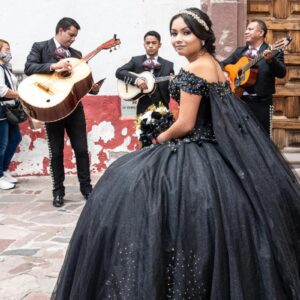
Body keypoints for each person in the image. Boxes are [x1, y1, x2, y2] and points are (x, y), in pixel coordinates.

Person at [52, 8, 300, 299]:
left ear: (203, 36)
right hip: (213, 147)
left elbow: (186, 123)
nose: (178, 39)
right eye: (174, 33)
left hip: (195, 145)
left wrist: (160, 135)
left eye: (186, 32)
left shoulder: (195, 68)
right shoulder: (214, 64)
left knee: (127, 181)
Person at [24, 18, 100, 207]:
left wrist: (92, 88)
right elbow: (29, 68)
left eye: (75, 36)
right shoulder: (40, 47)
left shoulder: (77, 54)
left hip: (74, 108)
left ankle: (86, 188)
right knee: (56, 152)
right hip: (52, 108)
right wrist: (53, 66)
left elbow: (78, 83)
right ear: (60, 30)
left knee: (82, 150)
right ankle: (58, 191)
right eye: (71, 35)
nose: (73, 39)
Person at [221, 19, 286, 136]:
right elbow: (222, 65)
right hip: (239, 101)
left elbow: (282, 73)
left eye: (250, 29)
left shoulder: (275, 52)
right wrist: (225, 73)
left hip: (261, 104)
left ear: (261, 33)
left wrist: (271, 60)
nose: (246, 32)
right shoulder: (240, 51)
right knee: (240, 137)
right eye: (246, 29)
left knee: (263, 139)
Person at [116, 30, 174, 115]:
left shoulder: (168, 65)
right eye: (148, 43)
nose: (150, 46)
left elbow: (171, 88)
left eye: (154, 43)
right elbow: (119, 72)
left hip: (162, 106)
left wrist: (174, 83)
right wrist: (136, 80)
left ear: (159, 45)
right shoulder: (136, 61)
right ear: (144, 45)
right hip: (143, 106)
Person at [0, 39, 22, 190]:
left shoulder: (5, 68)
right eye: (6, 49)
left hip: (9, 110)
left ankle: (4, 169)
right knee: (1, 144)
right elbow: (2, 91)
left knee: (15, 138)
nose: (8, 52)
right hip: (1, 110)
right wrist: (21, 94)